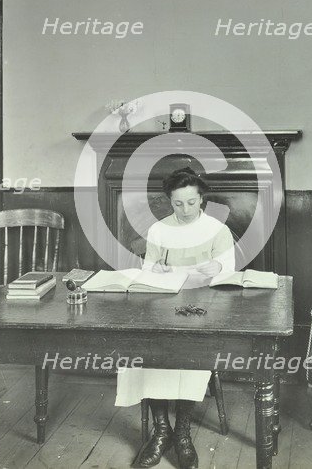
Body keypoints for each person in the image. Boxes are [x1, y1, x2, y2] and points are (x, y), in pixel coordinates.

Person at [115, 167, 235, 469]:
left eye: (191, 203)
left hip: (203, 308)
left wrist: (218, 269)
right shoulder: (159, 230)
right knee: (147, 350)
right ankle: (161, 430)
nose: (185, 210)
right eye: (178, 203)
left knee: (190, 353)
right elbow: (149, 270)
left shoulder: (216, 230)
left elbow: (230, 274)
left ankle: (182, 432)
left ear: (202, 200)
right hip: (164, 303)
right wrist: (156, 270)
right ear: (170, 200)